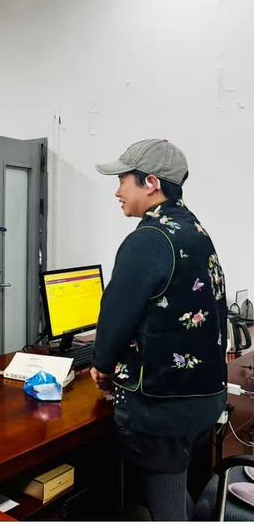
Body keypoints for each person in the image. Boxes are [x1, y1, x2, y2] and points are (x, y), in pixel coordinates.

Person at [91, 139, 227, 520]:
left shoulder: (149, 239)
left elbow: (115, 316)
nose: (117, 192)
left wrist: (101, 365)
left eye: (123, 181)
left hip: (163, 405)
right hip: (205, 397)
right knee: (173, 489)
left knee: (165, 505)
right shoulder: (195, 229)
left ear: (150, 182)